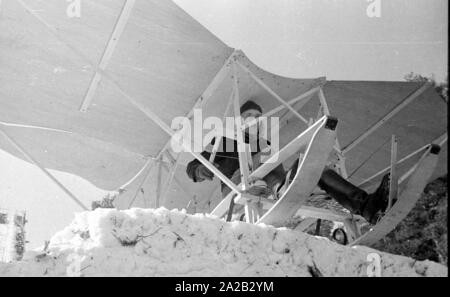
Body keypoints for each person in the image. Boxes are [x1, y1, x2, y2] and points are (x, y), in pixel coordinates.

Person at [186, 100, 391, 224]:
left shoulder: (264, 143)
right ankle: (282, 188)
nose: (254, 119)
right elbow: (192, 166)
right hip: (235, 188)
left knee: (318, 168)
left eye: (257, 116)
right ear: (240, 120)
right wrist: (199, 170)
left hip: (266, 185)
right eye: (249, 115)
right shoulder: (226, 140)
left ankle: (366, 206)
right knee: (266, 155)